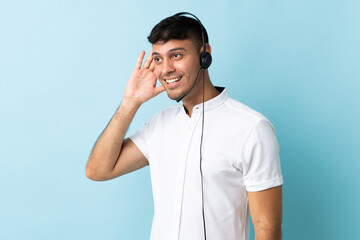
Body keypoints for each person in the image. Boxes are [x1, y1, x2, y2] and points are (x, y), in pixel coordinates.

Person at [86, 12, 283, 240]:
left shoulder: (251, 128)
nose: (166, 69)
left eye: (176, 55)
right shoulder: (158, 124)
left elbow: (267, 227)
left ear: (204, 56)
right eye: (158, 59)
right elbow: (98, 170)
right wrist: (131, 102)